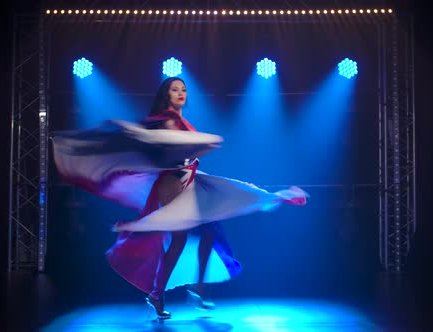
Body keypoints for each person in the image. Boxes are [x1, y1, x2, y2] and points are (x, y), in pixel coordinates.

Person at [51, 77, 308, 320]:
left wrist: (201, 148)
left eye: (183, 89)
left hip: (190, 179)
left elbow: (190, 149)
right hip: (172, 181)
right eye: (175, 89)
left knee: (208, 232)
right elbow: (164, 148)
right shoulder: (166, 121)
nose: (181, 93)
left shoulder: (180, 121)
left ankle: (194, 289)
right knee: (179, 238)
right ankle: (158, 294)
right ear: (166, 95)